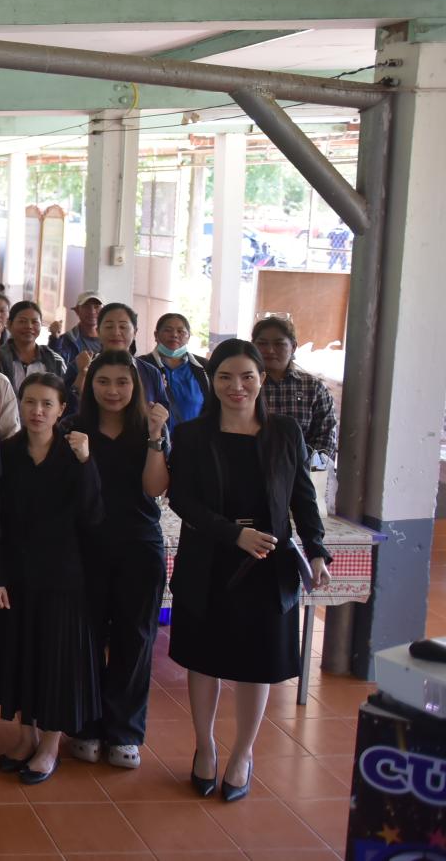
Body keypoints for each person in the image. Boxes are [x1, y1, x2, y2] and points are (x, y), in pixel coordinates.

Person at [167, 339, 330, 803]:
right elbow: (182, 499)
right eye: (225, 377)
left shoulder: (285, 432)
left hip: (267, 562)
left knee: (256, 662)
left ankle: (242, 753)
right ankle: (205, 746)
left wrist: (316, 550)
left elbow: (302, 497)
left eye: (246, 377)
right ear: (212, 381)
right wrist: (233, 535)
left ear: (261, 380)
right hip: (210, 559)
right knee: (204, 660)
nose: (236, 386)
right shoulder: (192, 434)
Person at [0, 373, 102, 785]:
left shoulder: (74, 454)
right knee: (19, 654)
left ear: (62, 410)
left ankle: (50, 744)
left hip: (63, 576)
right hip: (15, 572)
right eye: (30, 402)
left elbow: (93, 516)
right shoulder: (6, 452)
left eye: (47, 404)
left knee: (56, 660)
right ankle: (25, 736)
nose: (37, 411)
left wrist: (87, 464)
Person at [67, 350, 169, 770]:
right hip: (85, 546)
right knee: (85, 636)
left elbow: (154, 488)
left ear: (136, 386)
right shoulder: (72, 427)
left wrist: (156, 437)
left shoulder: (149, 427)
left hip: (138, 544)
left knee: (135, 638)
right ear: (90, 384)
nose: (112, 390)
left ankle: (125, 730)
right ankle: (86, 724)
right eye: (103, 381)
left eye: (122, 382)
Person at [251, 316, 338, 465]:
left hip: (302, 471)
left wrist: (306, 471)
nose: (270, 350)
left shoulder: (313, 388)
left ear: (293, 347)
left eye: (279, 344)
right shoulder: (246, 384)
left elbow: (326, 437)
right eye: (262, 343)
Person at [70, 303, 169, 415]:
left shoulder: (151, 372)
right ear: (98, 331)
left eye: (123, 327)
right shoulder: (80, 366)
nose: (116, 332)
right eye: (109, 327)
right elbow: (65, 409)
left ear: (135, 332)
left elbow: (163, 414)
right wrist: (82, 374)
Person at [141, 312, 208, 429]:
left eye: (181, 331)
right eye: (168, 330)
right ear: (156, 335)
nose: (174, 335)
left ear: (188, 337)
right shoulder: (142, 365)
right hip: (153, 437)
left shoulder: (203, 367)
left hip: (194, 438)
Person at [0, 301, 70, 396]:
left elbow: (63, 394)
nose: (29, 326)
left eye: (35, 322)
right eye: (22, 321)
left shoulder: (55, 359)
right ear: (9, 324)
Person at [51, 292, 103, 366]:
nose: (92, 311)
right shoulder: (66, 340)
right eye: (86, 307)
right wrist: (54, 339)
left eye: (96, 307)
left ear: (104, 311)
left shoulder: (111, 339)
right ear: (77, 310)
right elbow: (56, 365)